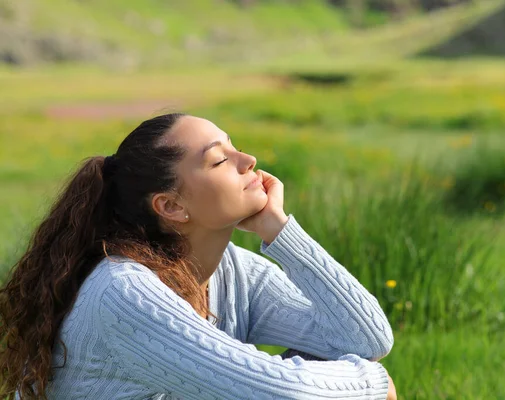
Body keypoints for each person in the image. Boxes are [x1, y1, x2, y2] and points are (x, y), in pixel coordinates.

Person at [0, 113, 397, 399]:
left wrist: (279, 230)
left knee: (330, 367)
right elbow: (283, 393)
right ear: (171, 206)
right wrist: (374, 383)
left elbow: (368, 337)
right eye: (220, 159)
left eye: (235, 146)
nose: (248, 161)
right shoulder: (123, 294)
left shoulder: (235, 273)